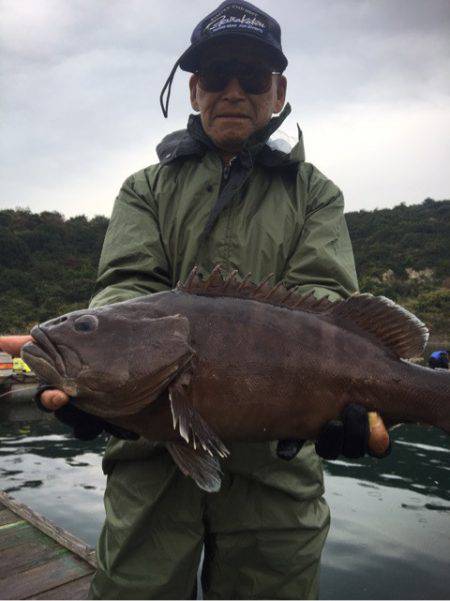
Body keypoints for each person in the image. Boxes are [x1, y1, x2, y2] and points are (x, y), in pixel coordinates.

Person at [0, 2, 390, 598]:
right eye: (215, 76)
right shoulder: (145, 189)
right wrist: (98, 375)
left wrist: (354, 398)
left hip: (277, 477)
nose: (233, 91)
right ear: (194, 90)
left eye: (252, 77)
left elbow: (326, 300)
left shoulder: (315, 193)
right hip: (150, 457)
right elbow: (125, 288)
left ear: (278, 90)